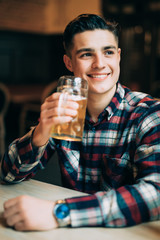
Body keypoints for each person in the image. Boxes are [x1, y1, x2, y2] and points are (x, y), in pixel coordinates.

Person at [1, 13, 160, 231]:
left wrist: (59, 212)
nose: (100, 64)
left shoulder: (148, 114)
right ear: (69, 62)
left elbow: (155, 194)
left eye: (108, 52)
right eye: (86, 54)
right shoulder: (66, 109)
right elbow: (8, 174)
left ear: (118, 56)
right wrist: (39, 133)